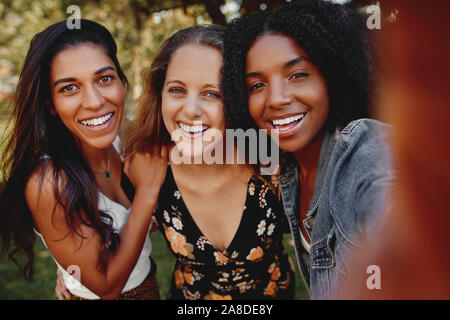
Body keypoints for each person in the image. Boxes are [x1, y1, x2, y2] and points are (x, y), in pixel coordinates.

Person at [222, 0, 394, 299]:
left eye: (298, 74)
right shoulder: (290, 170)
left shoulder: (363, 145)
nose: (275, 99)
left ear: (333, 76)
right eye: (256, 85)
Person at [123, 25, 295, 300]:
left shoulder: (274, 160)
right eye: (177, 90)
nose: (190, 110)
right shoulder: (143, 167)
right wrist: (69, 269)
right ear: (160, 94)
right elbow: (100, 220)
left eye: (212, 93)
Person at [0, 19, 167, 300]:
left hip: (150, 286)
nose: (94, 101)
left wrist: (68, 257)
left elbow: (141, 226)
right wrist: (147, 194)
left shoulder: (126, 138)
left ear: (121, 82)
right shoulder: (48, 182)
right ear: (50, 104)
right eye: (69, 88)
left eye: (104, 78)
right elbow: (106, 286)